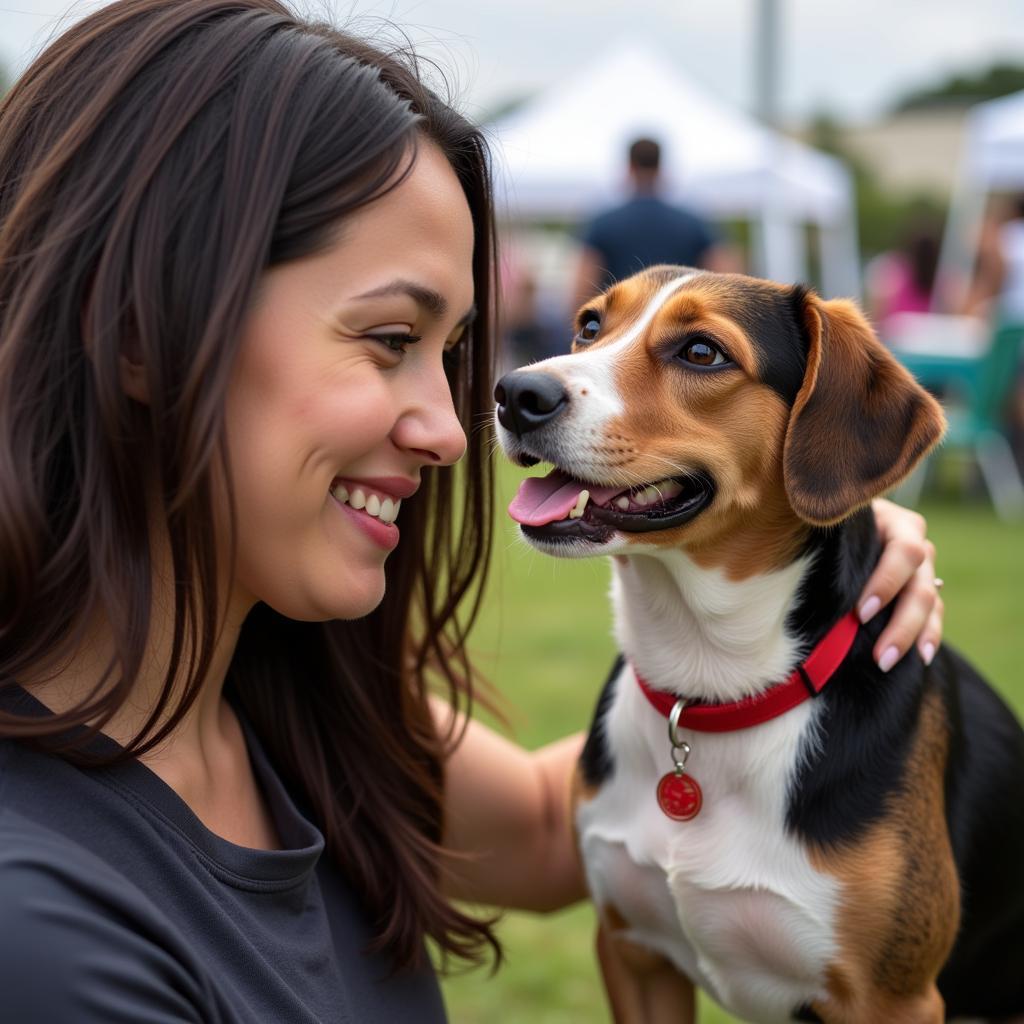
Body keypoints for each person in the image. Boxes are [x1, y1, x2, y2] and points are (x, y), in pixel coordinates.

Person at [0, 2, 944, 1020]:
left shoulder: (267, 694)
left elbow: (558, 829)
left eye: (451, 353)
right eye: (389, 337)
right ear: (136, 331)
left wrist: (807, 538)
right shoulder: (44, 935)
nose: (452, 429)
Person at [571, 136, 740, 311]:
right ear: (660, 168)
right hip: (678, 325)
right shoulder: (693, 222)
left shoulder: (603, 223)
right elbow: (726, 276)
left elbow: (580, 291)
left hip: (622, 326)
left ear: (629, 168)